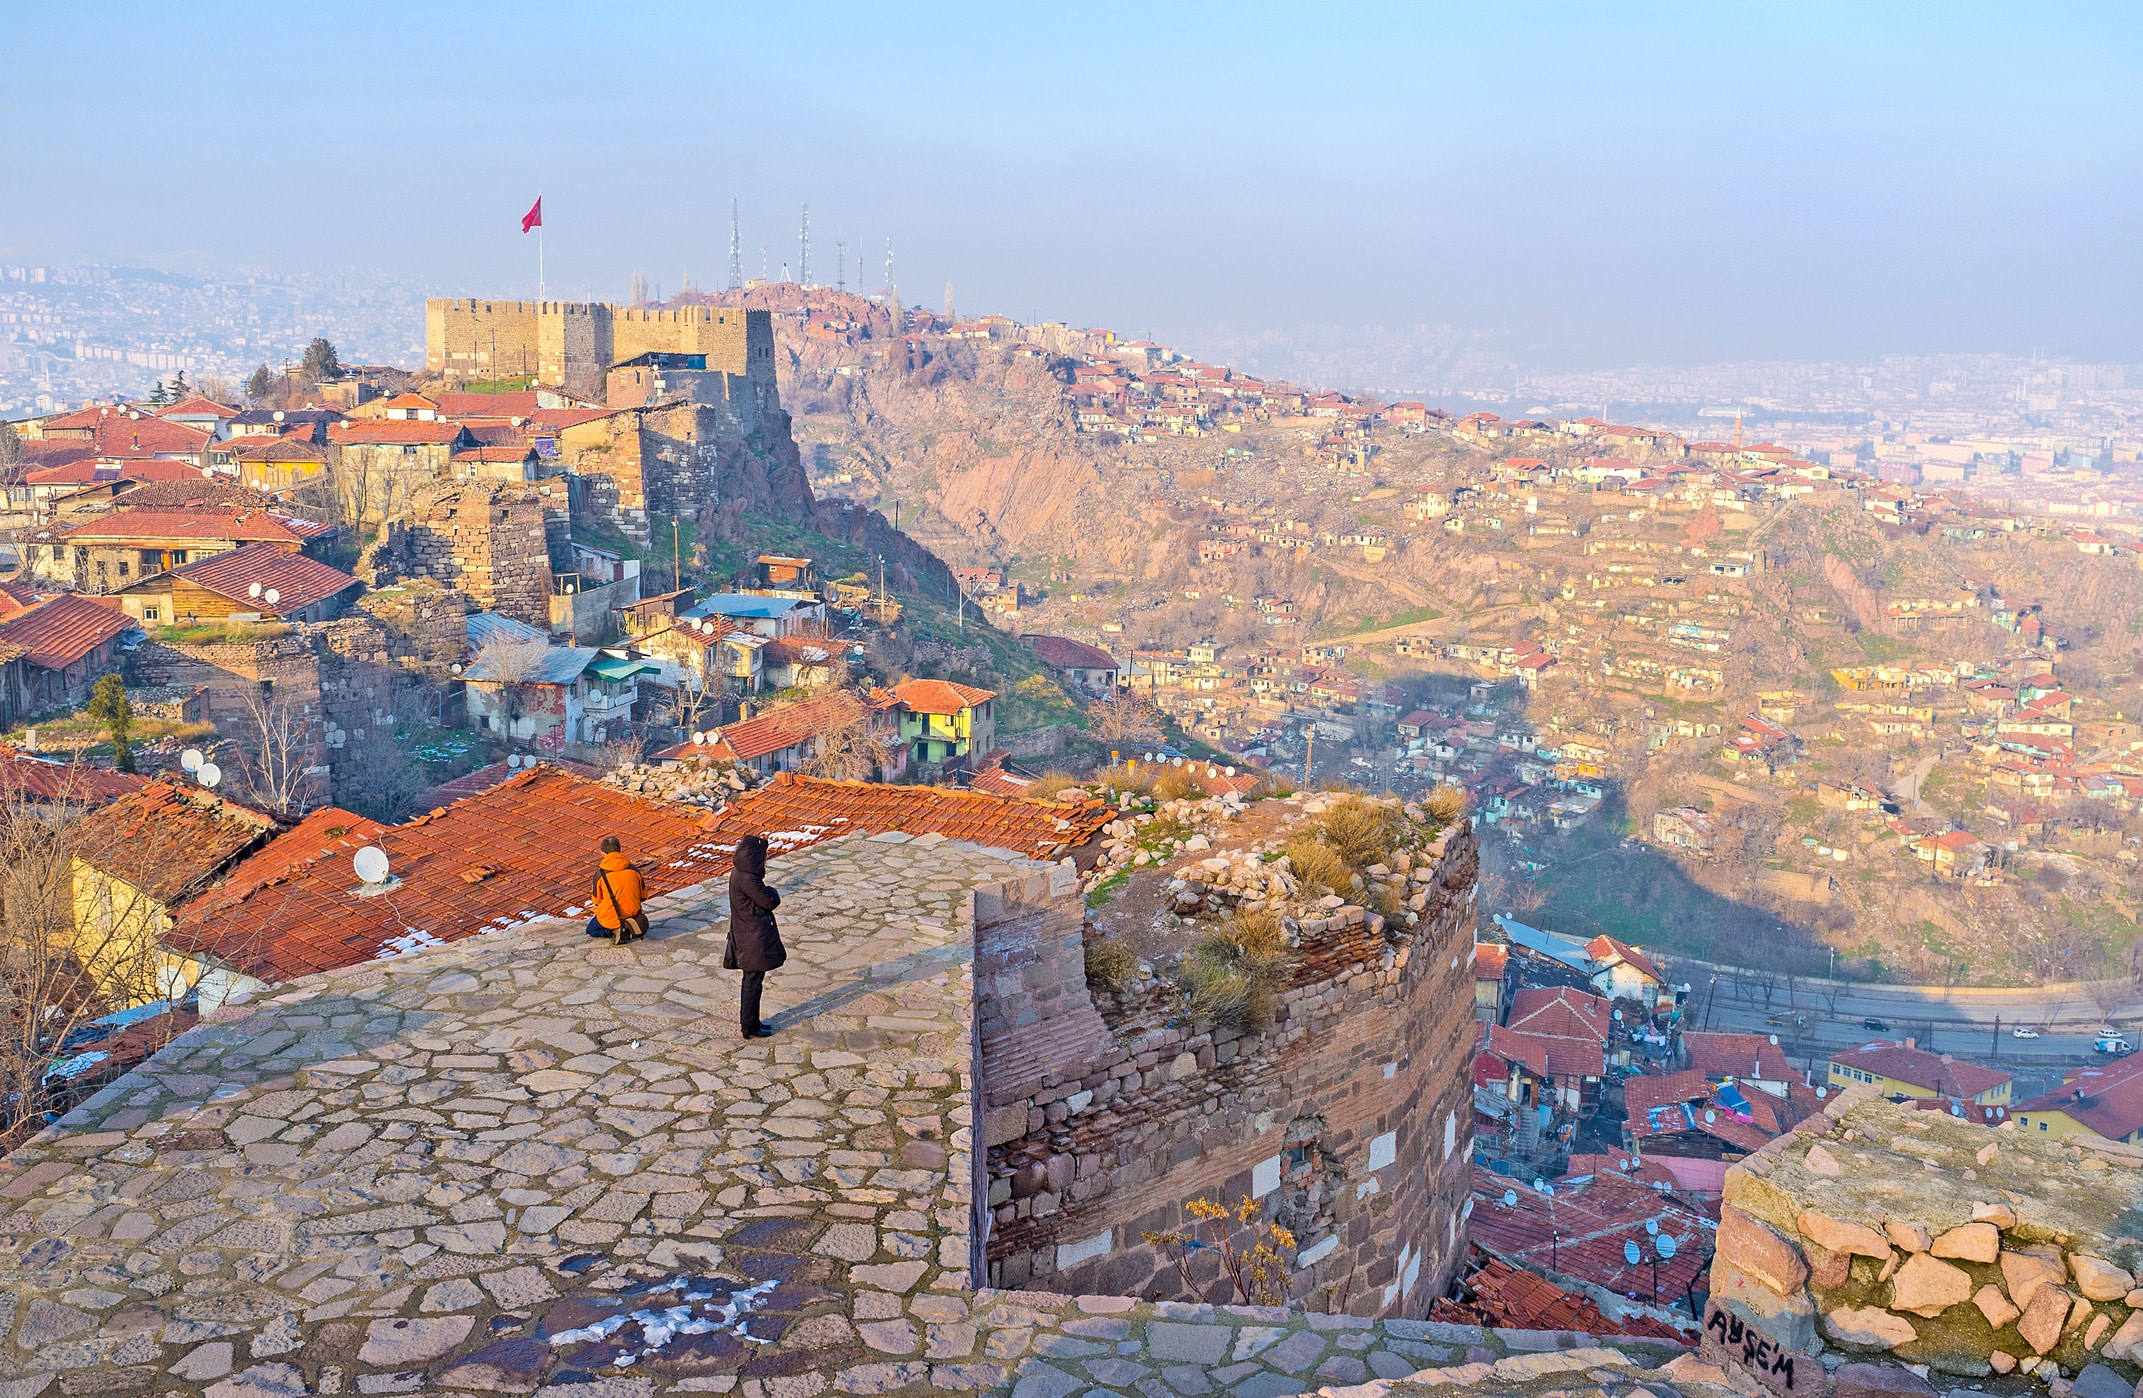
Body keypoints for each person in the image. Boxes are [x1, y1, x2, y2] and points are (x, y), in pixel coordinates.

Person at [724, 833, 784, 1037]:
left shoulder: (739, 873)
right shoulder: (748, 879)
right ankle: (750, 1027)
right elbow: (769, 901)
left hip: (747, 933)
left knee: (753, 981)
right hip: (752, 938)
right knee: (752, 982)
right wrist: (773, 891)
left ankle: (753, 1023)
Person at [586, 836, 648, 942]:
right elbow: (643, 896)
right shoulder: (633, 869)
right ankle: (629, 927)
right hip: (633, 915)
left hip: (610, 918)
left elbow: (596, 901)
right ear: (619, 850)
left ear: (602, 853)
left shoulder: (600, 875)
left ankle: (615, 931)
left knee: (591, 930)